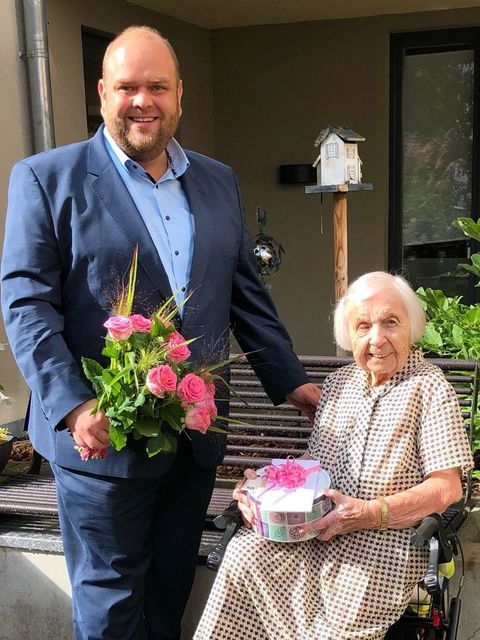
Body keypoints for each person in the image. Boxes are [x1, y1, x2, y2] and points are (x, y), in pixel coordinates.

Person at [0, 25, 320, 640]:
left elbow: (245, 295)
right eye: (128, 87)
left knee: (169, 595)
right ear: (102, 93)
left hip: (194, 442)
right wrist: (73, 405)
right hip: (101, 441)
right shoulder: (46, 179)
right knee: (112, 607)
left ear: (180, 95)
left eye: (157, 87)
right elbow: (27, 306)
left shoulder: (216, 180)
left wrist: (293, 383)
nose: (142, 101)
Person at [194, 271, 474, 640]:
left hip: (382, 542)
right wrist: (264, 488)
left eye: (391, 322)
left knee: (335, 620)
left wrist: (371, 513)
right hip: (314, 528)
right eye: (363, 325)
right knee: (245, 555)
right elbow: (315, 462)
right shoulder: (340, 383)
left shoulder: (430, 387)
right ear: (349, 334)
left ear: (411, 325)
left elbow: (447, 488)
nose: (377, 339)